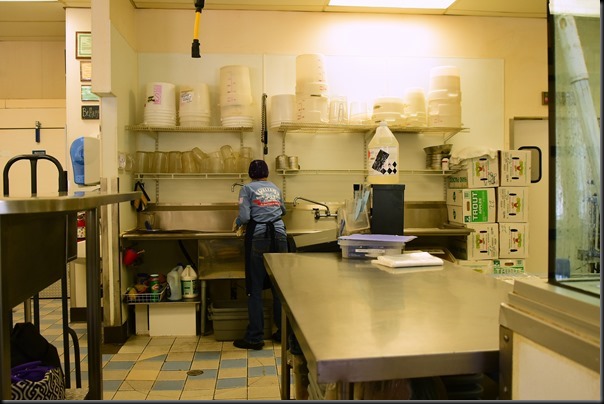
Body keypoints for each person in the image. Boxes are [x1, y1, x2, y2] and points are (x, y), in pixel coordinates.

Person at [232, 159, 288, 350]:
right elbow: (283, 210)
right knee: (279, 287)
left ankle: (255, 337)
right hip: (279, 236)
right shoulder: (275, 188)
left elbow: (245, 216)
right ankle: (283, 333)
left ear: (250, 174)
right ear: (267, 173)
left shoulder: (247, 189)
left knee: (254, 288)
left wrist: (237, 222)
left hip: (259, 237)